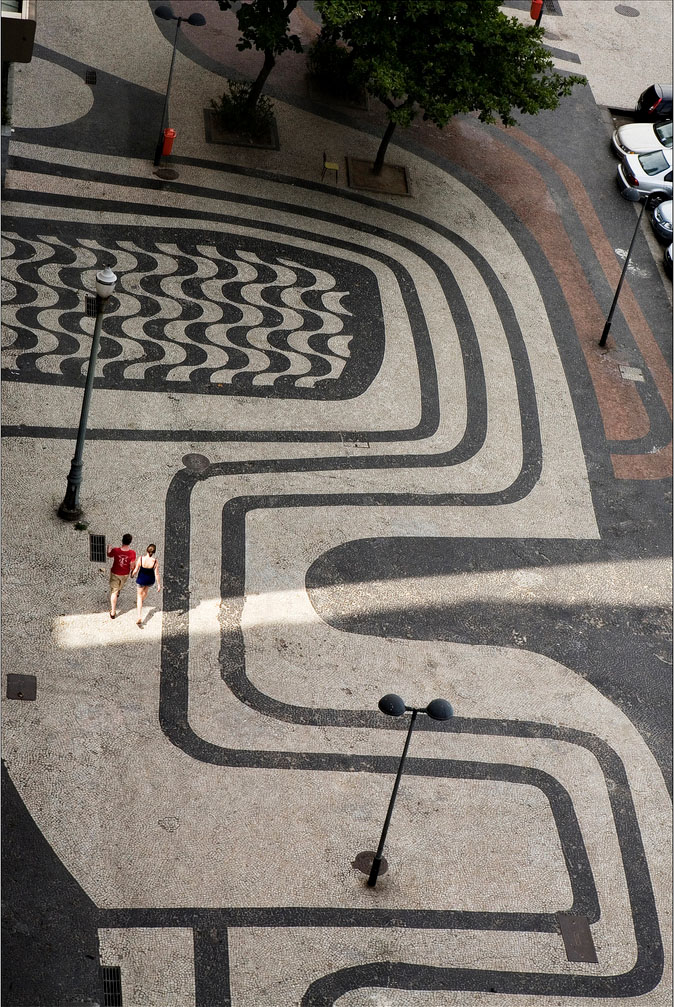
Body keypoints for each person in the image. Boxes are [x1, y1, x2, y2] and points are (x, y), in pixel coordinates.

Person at [107, 533, 136, 619]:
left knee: (114, 592)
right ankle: (118, 591)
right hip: (125, 574)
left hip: (115, 573)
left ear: (122, 540)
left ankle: (113, 612)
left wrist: (108, 548)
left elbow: (109, 554)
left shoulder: (116, 550)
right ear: (130, 542)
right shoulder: (132, 553)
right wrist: (132, 572)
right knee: (119, 586)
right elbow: (132, 565)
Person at [132, 544, 161, 626]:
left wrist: (132, 574)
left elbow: (136, 570)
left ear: (146, 550)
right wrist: (159, 585)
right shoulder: (155, 561)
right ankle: (141, 601)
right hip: (149, 580)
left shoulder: (141, 559)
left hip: (141, 579)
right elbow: (157, 574)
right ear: (154, 552)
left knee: (139, 596)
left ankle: (139, 616)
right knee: (145, 591)